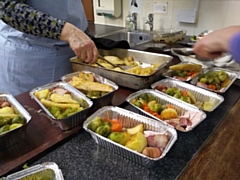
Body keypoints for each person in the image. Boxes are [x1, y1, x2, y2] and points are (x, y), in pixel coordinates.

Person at [0, 0, 99, 96]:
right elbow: (7, 7)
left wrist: (83, 33)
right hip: (32, 57)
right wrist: (66, 31)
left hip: (70, 51)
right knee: (34, 108)